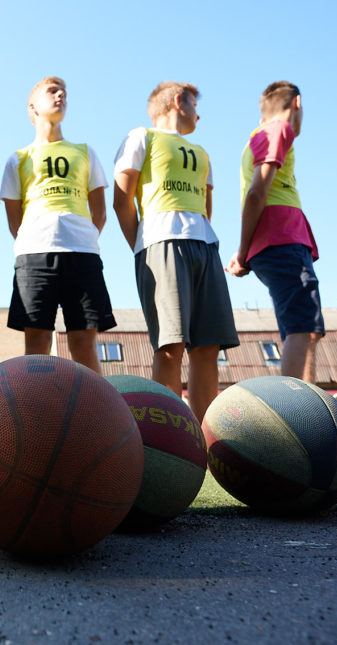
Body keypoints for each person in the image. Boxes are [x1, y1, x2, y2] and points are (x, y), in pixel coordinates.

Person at [112, 81, 239, 422]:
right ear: (179, 101)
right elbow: (122, 199)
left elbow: (207, 206)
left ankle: (205, 439)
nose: (199, 113)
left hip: (204, 246)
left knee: (208, 347)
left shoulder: (202, 152)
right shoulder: (141, 136)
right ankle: (171, 440)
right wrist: (141, 247)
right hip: (159, 242)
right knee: (171, 345)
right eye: (195, 103)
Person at [0, 76, 115, 373]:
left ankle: (96, 416)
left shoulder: (85, 151)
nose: (61, 94)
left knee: (83, 344)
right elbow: (14, 219)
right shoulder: (18, 158)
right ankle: (34, 415)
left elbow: (99, 212)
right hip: (34, 254)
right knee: (37, 344)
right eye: (51, 91)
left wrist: (79, 236)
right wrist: (39, 237)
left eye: (63, 91)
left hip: (83, 252)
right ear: (33, 106)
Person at [227, 81, 323, 382]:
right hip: (283, 240)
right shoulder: (278, 129)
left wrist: (244, 250)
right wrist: (243, 253)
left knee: (303, 328)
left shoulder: (260, 134)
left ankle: (305, 413)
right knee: (302, 329)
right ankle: (302, 417)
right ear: (297, 103)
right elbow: (256, 193)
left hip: (279, 241)